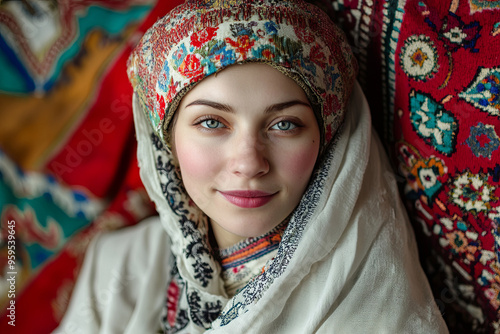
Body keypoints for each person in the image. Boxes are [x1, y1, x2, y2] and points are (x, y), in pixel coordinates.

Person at [55, 0, 448, 333]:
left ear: (328, 140)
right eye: (212, 123)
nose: (249, 163)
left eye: (285, 125)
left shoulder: (371, 298)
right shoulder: (117, 265)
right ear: (166, 138)